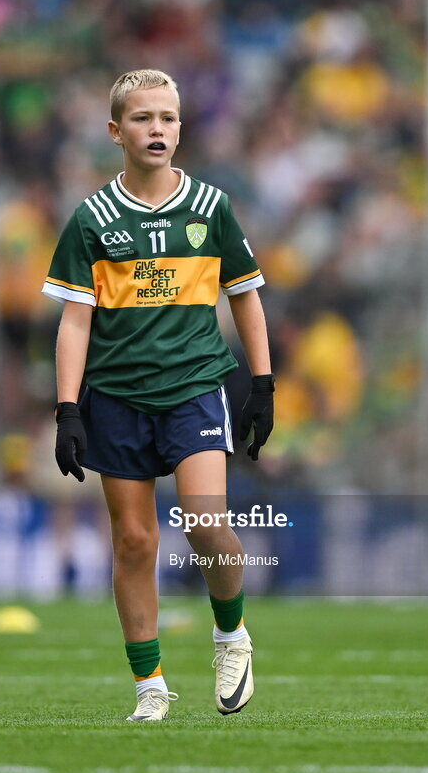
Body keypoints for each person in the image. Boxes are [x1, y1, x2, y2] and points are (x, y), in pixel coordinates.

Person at [42, 69, 274, 721]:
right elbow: (75, 321)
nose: (158, 129)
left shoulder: (211, 207)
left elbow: (247, 297)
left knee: (205, 522)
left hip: (196, 386)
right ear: (117, 132)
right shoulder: (92, 219)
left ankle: (231, 635)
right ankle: (150, 688)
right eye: (143, 118)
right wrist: (67, 408)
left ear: (181, 128)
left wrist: (261, 383)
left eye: (168, 118)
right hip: (116, 396)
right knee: (135, 542)